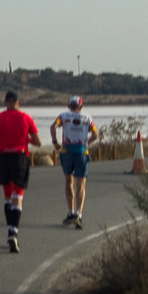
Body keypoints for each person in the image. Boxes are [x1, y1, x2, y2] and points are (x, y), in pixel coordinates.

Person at [0, 90, 42, 253]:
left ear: (5, 103)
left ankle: (9, 229)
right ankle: (14, 232)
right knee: (17, 197)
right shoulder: (26, 118)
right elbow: (38, 142)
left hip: (2, 158)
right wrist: (26, 138)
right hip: (19, 158)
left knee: (7, 196)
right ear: (19, 102)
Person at [50, 96, 98, 229]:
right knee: (81, 184)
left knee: (68, 181)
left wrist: (55, 143)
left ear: (68, 105)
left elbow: (53, 127)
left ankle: (70, 213)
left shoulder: (63, 116)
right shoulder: (87, 117)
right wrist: (86, 143)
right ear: (81, 106)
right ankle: (79, 214)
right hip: (82, 151)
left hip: (66, 151)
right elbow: (95, 134)